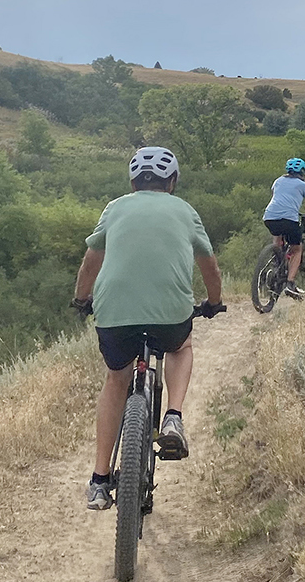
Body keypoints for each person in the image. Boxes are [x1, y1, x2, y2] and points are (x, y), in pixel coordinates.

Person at [72, 146, 223, 511]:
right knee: (180, 346)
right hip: (169, 315)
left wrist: (80, 300)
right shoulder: (185, 211)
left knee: (115, 380)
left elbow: (91, 261)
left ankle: (99, 480)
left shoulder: (115, 207)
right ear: (172, 182)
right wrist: (214, 303)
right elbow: (210, 266)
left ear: (133, 182)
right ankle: (172, 417)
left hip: (114, 315)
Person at [262, 157, 305, 299]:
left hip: (269, 217)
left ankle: (277, 260)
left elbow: (279, 198)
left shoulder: (278, 181)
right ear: (303, 172)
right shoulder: (302, 185)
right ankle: (290, 284)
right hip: (289, 219)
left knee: (278, 236)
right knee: (297, 249)